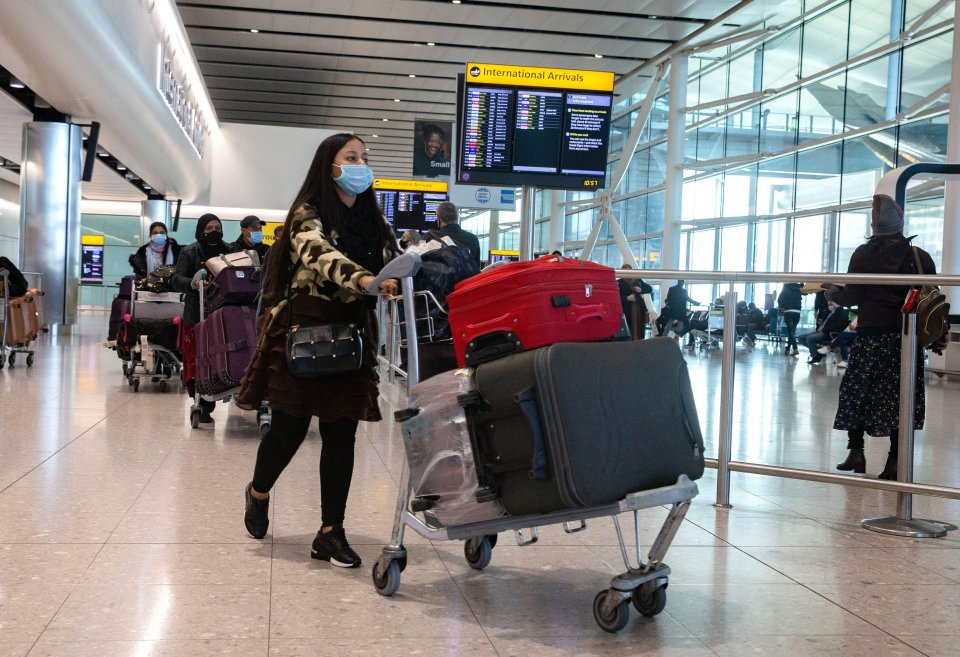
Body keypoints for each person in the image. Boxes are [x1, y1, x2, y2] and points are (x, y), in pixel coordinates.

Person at [237, 133, 401, 568]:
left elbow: (396, 258)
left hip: (352, 335)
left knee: (341, 432)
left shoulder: (372, 220)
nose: (361, 164)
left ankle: (331, 532)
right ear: (329, 166)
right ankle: (258, 492)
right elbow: (319, 255)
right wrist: (366, 281)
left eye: (365, 158)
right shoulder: (307, 216)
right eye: (352, 157)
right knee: (289, 429)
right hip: (306, 330)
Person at [827, 194, 935, 480]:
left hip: (870, 335)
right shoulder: (917, 257)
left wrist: (831, 292)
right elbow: (932, 293)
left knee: (856, 393)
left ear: (874, 226)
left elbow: (852, 295)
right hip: (905, 338)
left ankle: (856, 452)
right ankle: (894, 462)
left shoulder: (863, 255)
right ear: (900, 222)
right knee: (902, 398)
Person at [172, 213, 236, 422]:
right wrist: (192, 283)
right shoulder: (189, 252)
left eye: (217, 226)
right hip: (196, 312)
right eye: (209, 228)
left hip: (224, 313)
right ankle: (203, 402)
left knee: (224, 354)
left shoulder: (229, 251)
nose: (214, 231)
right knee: (199, 358)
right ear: (201, 230)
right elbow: (176, 279)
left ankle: (229, 386)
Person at [432, 200, 481, 269]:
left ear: (439, 220)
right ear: (457, 218)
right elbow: (477, 268)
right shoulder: (473, 239)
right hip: (468, 279)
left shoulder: (431, 238)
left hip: (441, 279)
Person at [800, 299, 848, 364]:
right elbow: (827, 322)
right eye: (829, 303)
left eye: (831, 303)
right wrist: (821, 323)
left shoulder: (841, 312)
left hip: (828, 333)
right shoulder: (830, 312)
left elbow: (838, 326)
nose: (830, 304)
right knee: (801, 338)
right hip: (822, 331)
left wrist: (823, 329)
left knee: (809, 338)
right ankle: (818, 353)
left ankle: (815, 356)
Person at [777, 281, 803, 356]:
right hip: (797, 311)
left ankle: (795, 348)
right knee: (792, 331)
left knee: (790, 330)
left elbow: (780, 299)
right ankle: (788, 348)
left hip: (789, 311)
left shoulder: (786, 287)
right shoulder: (798, 288)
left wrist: (782, 306)